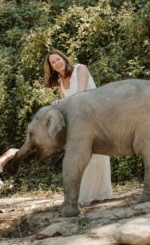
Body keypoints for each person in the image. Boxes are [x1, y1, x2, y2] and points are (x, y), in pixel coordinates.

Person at [44, 49, 112, 206]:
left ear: (64, 58)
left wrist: (62, 103)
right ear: (52, 67)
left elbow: (81, 95)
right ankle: (83, 195)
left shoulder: (80, 69)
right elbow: (67, 107)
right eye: (53, 63)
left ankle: (98, 193)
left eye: (58, 59)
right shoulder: (60, 83)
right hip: (78, 120)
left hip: (93, 114)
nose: (57, 63)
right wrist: (58, 105)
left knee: (96, 154)